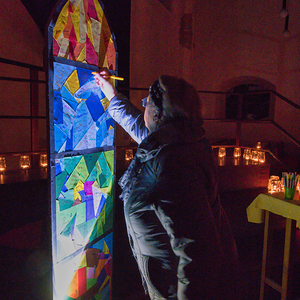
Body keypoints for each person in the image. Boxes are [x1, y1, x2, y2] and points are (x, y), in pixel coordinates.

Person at [93, 70, 239, 300]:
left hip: (177, 288)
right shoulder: (181, 141)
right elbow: (141, 129)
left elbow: (198, 255)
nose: (144, 109)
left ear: (159, 115)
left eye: (146, 103)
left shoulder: (172, 165)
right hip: (171, 281)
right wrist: (112, 96)